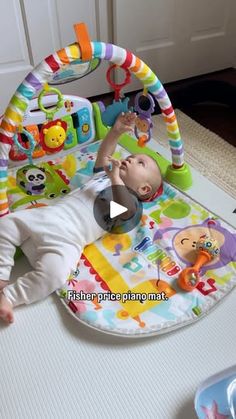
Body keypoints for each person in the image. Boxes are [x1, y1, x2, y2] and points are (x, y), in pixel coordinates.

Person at [0, 112, 162, 324]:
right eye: (132, 157)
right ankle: (2, 274)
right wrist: (115, 132)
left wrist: (115, 177)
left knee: (56, 275)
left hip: (70, 240)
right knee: (6, 224)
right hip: (49, 216)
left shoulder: (130, 204)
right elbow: (104, 155)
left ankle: (10, 297)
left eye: (140, 163)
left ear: (143, 188)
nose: (131, 158)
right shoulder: (103, 176)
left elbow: (121, 206)